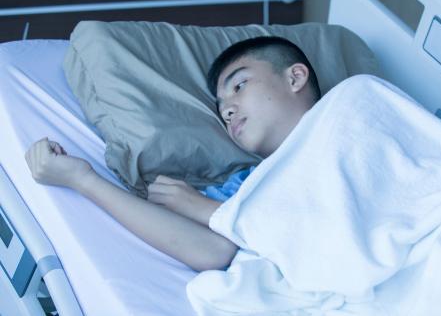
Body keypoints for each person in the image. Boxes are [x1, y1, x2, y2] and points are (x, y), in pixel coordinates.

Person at [24, 36, 320, 271]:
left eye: (239, 86)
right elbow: (212, 251)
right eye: (221, 108)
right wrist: (83, 180)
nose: (228, 110)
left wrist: (201, 207)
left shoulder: (357, 99)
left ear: (294, 77)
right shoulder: (247, 184)